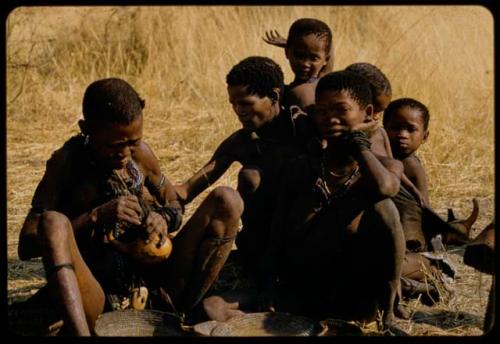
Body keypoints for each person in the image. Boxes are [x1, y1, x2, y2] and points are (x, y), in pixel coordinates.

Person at [16, 78, 243, 335]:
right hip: (99, 293)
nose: (125, 153)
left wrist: (163, 218)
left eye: (132, 142)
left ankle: (181, 313)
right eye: (114, 145)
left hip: (158, 284)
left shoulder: (140, 154)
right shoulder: (66, 163)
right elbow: (28, 244)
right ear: (86, 129)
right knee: (54, 222)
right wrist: (94, 217)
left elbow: (174, 203)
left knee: (227, 200)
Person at [203, 71, 407, 330]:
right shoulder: (301, 168)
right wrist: (266, 286)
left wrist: (358, 142)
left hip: (354, 298)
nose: (330, 118)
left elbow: (385, 188)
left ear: (367, 113)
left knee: (384, 208)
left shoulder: (386, 167)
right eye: (321, 111)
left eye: (341, 110)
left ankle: (386, 314)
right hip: (302, 293)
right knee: (213, 307)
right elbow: (277, 233)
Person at [175, 56, 317, 289]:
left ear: (274, 96)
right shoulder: (243, 142)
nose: (238, 111)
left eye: (246, 103)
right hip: (260, 249)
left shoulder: (304, 129)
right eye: (233, 104)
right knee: (250, 177)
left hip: (303, 243)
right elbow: (190, 187)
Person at [262, 18, 333, 113]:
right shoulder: (324, 83)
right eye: (299, 56)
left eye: (313, 58)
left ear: (326, 60)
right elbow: (327, 51)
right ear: (287, 52)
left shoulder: (294, 93)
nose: (304, 64)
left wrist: (292, 45)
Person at [345, 62, 393, 157]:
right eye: (374, 110)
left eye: (381, 112)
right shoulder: (332, 133)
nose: (376, 117)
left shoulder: (381, 134)